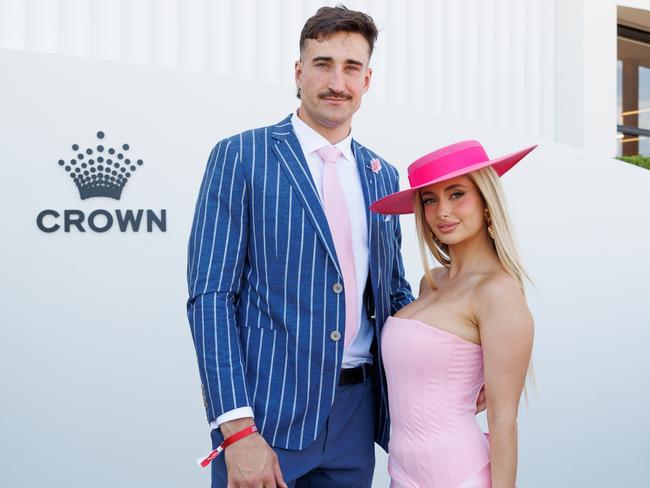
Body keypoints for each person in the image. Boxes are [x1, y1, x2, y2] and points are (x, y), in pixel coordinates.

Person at [186, 6, 414, 487]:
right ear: (299, 71)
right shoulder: (241, 156)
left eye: (351, 68)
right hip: (266, 419)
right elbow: (211, 298)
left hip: (357, 416)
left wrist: (462, 359)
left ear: (368, 80)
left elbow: (394, 298)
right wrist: (236, 429)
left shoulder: (383, 177)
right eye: (323, 63)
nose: (337, 81)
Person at [371, 140, 536, 488]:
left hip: (458, 475)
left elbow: (504, 421)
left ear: (486, 201)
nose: (442, 211)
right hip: (401, 474)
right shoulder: (430, 283)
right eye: (430, 199)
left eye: (457, 194)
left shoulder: (498, 292)